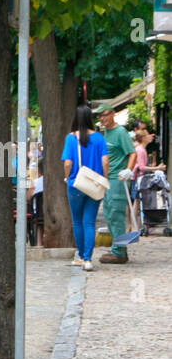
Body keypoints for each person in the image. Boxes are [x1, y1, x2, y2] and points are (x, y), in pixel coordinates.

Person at [62, 104, 108, 271]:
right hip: (94, 185)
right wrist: (104, 177)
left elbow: (68, 162)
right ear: (90, 118)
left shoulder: (70, 138)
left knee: (77, 221)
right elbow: (105, 161)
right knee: (89, 222)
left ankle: (81, 257)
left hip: (76, 184)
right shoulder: (99, 138)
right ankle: (88, 259)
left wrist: (68, 177)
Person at [96, 105, 136, 266]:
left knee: (116, 214)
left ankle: (119, 252)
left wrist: (128, 170)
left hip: (118, 179)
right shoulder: (105, 133)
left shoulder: (120, 132)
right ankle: (118, 248)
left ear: (112, 114)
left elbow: (132, 152)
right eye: (99, 116)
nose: (102, 119)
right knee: (109, 214)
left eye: (104, 115)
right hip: (108, 178)